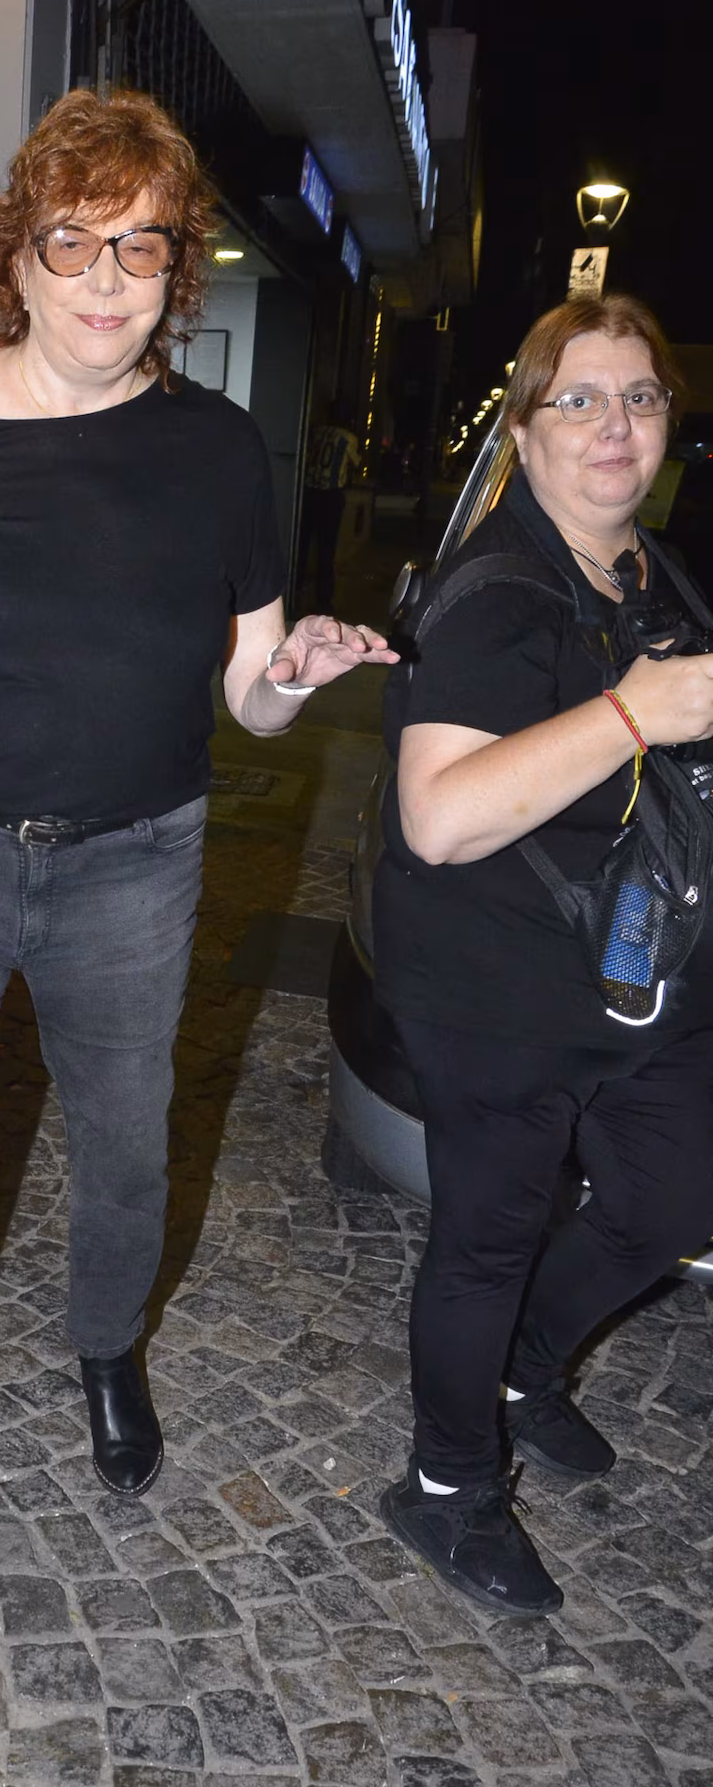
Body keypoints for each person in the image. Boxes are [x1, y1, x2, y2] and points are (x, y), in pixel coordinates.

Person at [0, 87, 396, 1715]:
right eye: (76, 242)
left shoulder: (214, 450)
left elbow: (249, 688)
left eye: (143, 247)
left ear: (178, 268)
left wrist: (298, 671)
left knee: (128, 1155)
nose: (108, 280)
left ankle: (108, 1344)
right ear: (20, 254)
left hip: (132, 861)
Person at [373, 293, 713, 1617]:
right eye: (579, 400)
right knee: (490, 1240)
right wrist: (633, 713)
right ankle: (447, 1483)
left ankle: (521, 1370)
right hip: (495, 985)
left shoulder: (657, 575)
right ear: (524, 431)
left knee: (674, 1197)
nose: (613, 426)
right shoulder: (495, 593)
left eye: (640, 397)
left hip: (636, 975)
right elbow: (440, 817)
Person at [298, 408, 360, 614]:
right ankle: (323, 599)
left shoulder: (317, 432)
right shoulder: (347, 438)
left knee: (302, 545)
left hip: (310, 491)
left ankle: (295, 592)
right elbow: (356, 463)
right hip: (330, 496)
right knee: (326, 550)